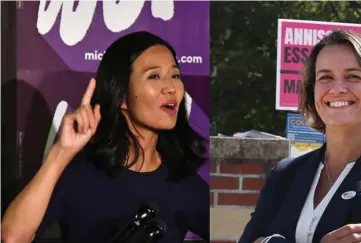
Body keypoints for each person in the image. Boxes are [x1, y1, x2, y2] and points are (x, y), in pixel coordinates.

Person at [1, 31, 209, 243]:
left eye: (175, 76)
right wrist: (61, 153)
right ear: (122, 97)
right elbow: (12, 237)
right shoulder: (80, 174)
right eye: (154, 76)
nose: (171, 87)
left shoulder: (182, 180)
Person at [239, 30, 361, 243]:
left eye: (353, 76)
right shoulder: (285, 174)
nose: (337, 88)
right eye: (326, 77)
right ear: (312, 92)